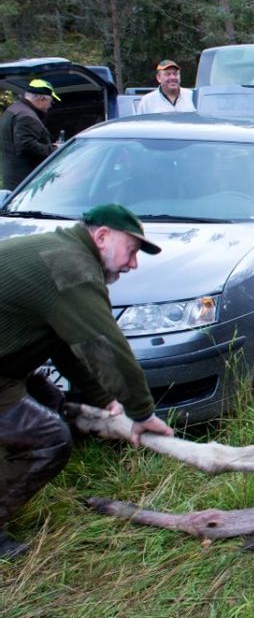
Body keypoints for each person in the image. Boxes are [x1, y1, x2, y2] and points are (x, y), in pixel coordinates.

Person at [0, 204, 174, 559]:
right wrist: (142, 413)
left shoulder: (63, 252)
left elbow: (67, 345)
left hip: (8, 365)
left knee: (51, 406)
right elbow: (105, 347)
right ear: (102, 236)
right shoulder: (72, 269)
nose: (133, 264)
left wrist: (104, 399)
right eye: (132, 250)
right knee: (49, 439)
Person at [0, 79, 58, 188]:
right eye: (51, 102)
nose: (50, 106)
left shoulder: (13, 109)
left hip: (12, 178)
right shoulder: (27, 117)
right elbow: (26, 145)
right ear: (42, 99)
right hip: (23, 181)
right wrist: (54, 150)